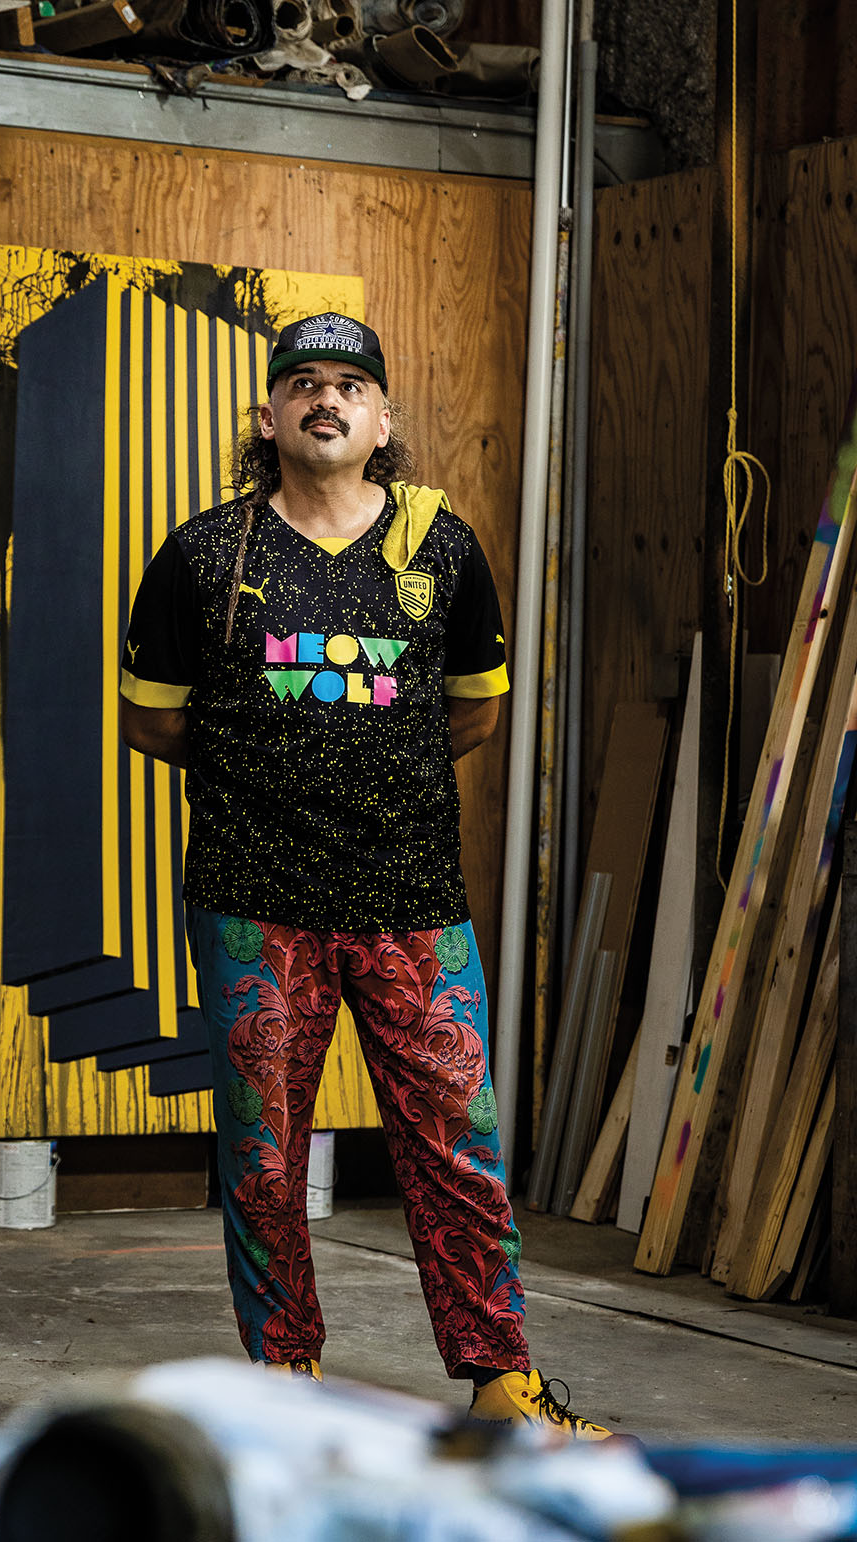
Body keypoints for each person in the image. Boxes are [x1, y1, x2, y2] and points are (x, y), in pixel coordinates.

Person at [119, 312, 612, 1440]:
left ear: (382, 419)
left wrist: (365, 774)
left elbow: (476, 711)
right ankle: (282, 1383)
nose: (325, 400)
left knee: (460, 1154)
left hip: (410, 905)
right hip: (255, 903)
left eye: (350, 385)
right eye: (302, 384)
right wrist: (272, 770)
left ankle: (502, 1387)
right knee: (260, 1161)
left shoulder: (442, 549)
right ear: (269, 416)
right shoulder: (205, 555)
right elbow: (154, 725)